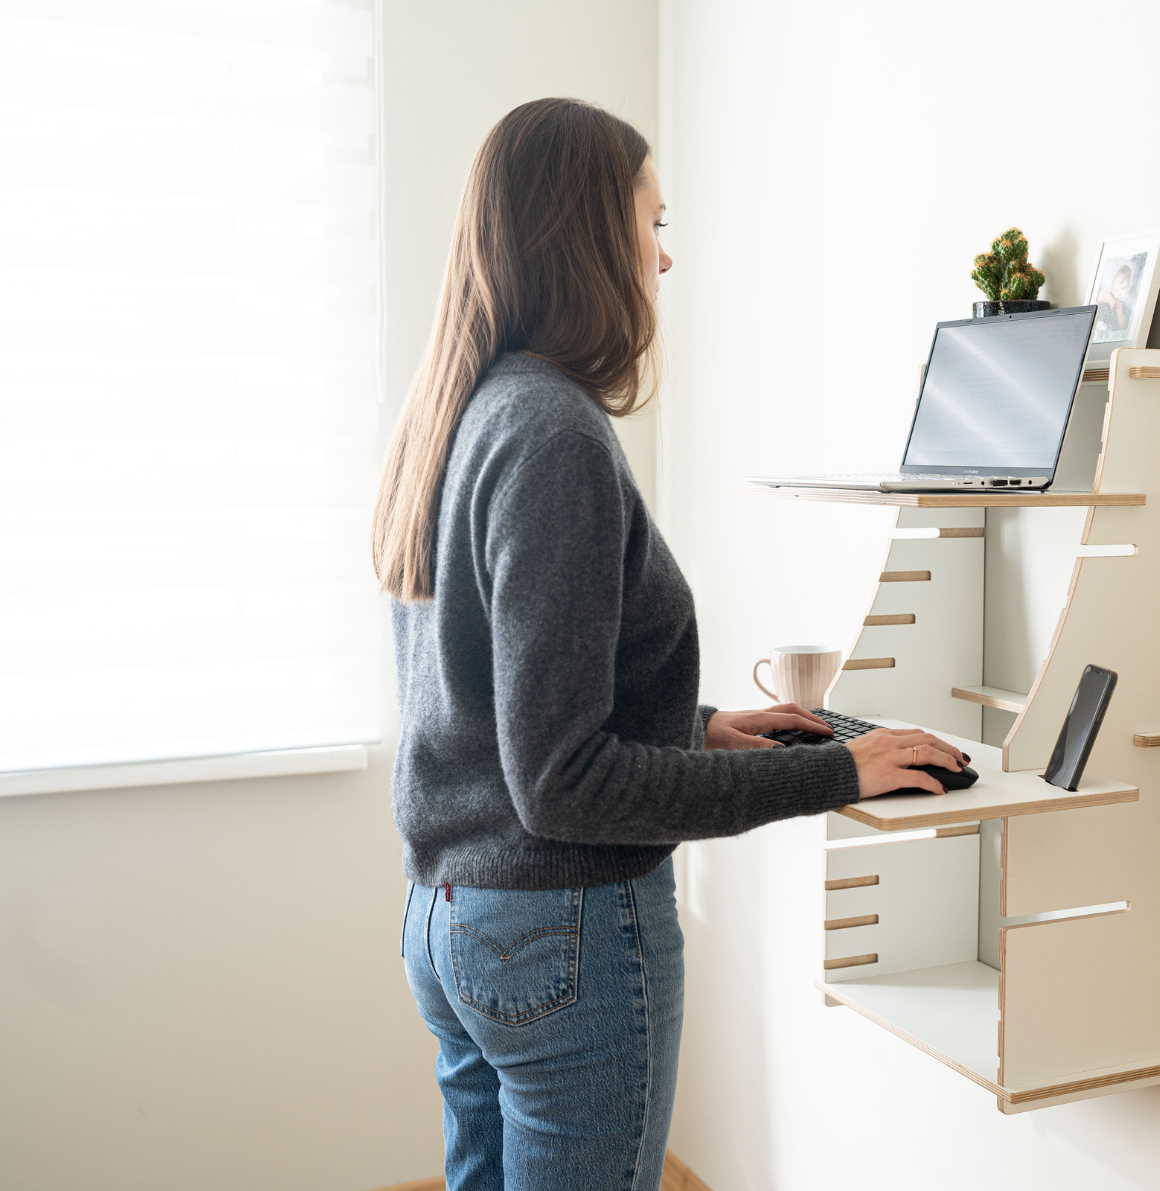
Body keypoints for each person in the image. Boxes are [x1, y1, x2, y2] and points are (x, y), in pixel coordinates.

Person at [370, 98, 968, 1191]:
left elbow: (497, 701)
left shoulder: (462, 413)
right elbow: (563, 785)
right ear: (585, 234)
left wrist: (701, 730)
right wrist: (834, 773)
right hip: (556, 934)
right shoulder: (550, 434)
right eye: (650, 218)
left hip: (451, 921)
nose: (665, 253)